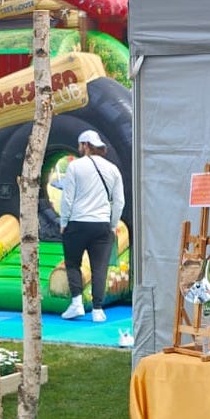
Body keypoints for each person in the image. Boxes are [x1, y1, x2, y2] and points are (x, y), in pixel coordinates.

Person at [59, 130, 124, 322]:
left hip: (77, 223)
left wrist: (64, 222)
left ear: (85, 145)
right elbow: (119, 201)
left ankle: (77, 303)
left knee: (73, 263)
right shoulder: (113, 169)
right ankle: (97, 310)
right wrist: (112, 225)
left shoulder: (75, 167)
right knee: (100, 268)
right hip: (102, 225)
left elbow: (67, 197)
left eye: (80, 145)